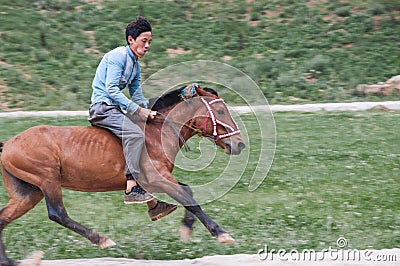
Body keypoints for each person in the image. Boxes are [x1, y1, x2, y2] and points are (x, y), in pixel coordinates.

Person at [88, 16, 177, 221]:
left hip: (116, 108)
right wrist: (137, 110)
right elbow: (111, 90)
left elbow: (137, 96)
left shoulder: (135, 66)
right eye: (143, 41)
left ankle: (153, 205)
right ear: (130, 39)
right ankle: (131, 187)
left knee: (146, 136)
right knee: (135, 134)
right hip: (102, 108)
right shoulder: (118, 57)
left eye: (149, 42)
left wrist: (155, 110)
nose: (147, 46)